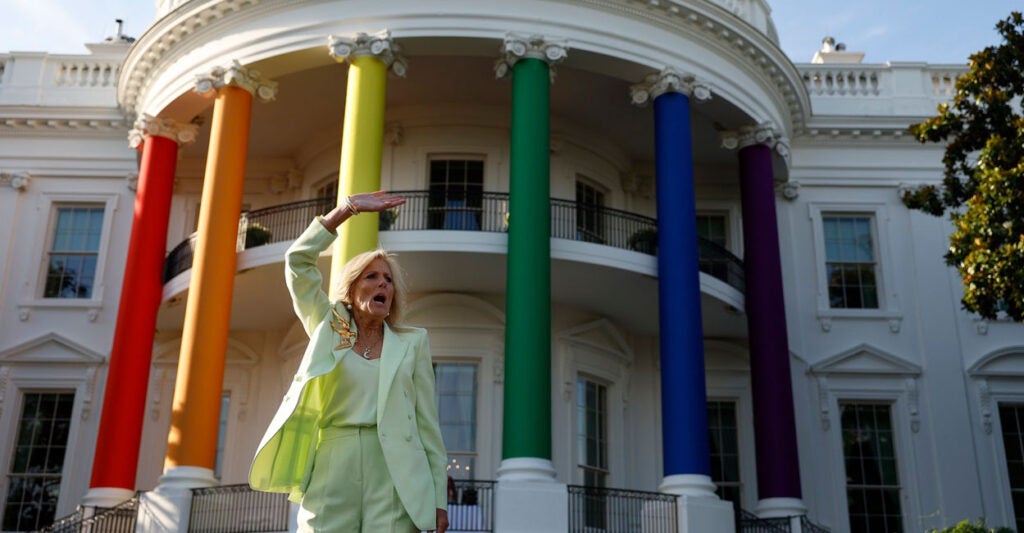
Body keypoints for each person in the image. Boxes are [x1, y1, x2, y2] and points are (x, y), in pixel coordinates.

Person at [250, 191, 449, 533]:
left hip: (396, 470)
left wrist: (439, 499)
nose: (383, 283)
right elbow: (298, 261)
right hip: (333, 461)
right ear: (352, 289)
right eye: (371, 277)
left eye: (388, 279)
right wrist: (346, 210)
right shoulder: (330, 327)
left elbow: (427, 424)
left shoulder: (412, 343)